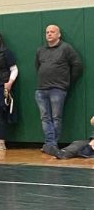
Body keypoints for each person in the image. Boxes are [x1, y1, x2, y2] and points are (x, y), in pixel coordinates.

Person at [34, 24, 84, 155]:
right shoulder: (41, 50)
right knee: (45, 118)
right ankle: (50, 144)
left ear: (59, 34)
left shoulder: (66, 48)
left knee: (56, 117)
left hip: (58, 89)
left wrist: (67, 81)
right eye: (47, 32)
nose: (49, 34)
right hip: (41, 89)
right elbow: (37, 66)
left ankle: (51, 144)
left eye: (52, 32)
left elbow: (77, 65)